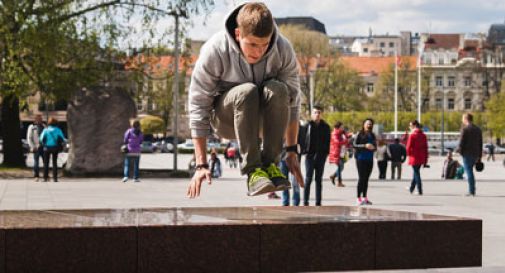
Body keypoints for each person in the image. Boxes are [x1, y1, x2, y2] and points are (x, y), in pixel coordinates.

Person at [187, 2, 304, 198]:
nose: (259, 52)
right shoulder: (215, 50)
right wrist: (201, 164)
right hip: (226, 121)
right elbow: (198, 104)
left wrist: (291, 150)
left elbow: (293, 103)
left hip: (263, 122)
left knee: (279, 90)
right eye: (252, 44)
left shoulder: (283, 49)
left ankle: (270, 166)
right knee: (246, 92)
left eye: (264, 45)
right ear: (238, 34)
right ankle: (253, 172)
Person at [302, 106, 331, 206]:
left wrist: (325, 155)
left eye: (319, 112)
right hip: (309, 156)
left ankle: (318, 202)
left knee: (319, 180)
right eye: (315, 112)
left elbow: (328, 142)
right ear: (311, 114)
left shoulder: (326, 127)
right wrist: (304, 151)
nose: (317, 114)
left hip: (320, 157)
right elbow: (302, 139)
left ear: (321, 114)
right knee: (308, 179)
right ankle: (305, 202)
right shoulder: (307, 126)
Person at [457, 113, 482, 196]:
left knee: (469, 172)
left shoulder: (465, 129)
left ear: (466, 119)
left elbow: (461, 142)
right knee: (470, 171)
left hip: (467, 153)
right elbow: (480, 143)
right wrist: (480, 156)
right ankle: (472, 189)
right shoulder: (478, 129)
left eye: (463, 119)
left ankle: (471, 190)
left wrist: (460, 152)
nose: (462, 120)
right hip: (475, 153)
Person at [353, 118, 377, 205]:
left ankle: (365, 197)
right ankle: (358, 198)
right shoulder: (359, 134)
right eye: (367, 123)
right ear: (364, 124)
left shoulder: (372, 135)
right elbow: (354, 145)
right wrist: (365, 146)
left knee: (366, 179)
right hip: (360, 159)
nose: (369, 125)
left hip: (370, 159)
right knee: (361, 178)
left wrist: (373, 147)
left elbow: (375, 147)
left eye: (370, 124)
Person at [39, 117, 66, 182]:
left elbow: (41, 138)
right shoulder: (58, 130)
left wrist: (44, 144)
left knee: (46, 163)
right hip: (55, 147)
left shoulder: (46, 130)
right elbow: (63, 138)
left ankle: (45, 178)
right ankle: (55, 178)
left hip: (47, 148)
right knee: (54, 163)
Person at [406, 120, 428, 195]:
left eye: (410, 126)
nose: (409, 127)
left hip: (414, 157)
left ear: (414, 126)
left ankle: (419, 189)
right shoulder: (423, 135)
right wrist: (425, 159)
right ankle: (411, 188)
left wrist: (408, 154)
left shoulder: (412, 135)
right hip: (421, 156)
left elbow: (408, 147)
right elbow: (426, 148)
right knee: (416, 172)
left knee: (416, 173)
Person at [27, 114, 45, 181]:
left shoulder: (44, 126)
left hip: (43, 147)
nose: (40, 120)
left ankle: (45, 175)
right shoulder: (31, 127)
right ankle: (36, 176)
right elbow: (29, 138)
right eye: (38, 119)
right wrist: (32, 146)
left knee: (45, 162)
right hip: (36, 147)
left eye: (41, 119)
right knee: (36, 162)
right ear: (35, 120)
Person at [328, 121, 348, 187]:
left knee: (341, 167)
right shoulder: (334, 133)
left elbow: (345, 137)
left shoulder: (341, 133)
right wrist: (345, 141)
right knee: (340, 167)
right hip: (336, 153)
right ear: (338, 127)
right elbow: (337, 142)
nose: (343, 128)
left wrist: (348, 135)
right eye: (342, 127)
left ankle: (333, 176)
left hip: (341, 152)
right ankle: (339, 182)